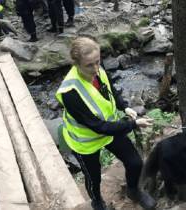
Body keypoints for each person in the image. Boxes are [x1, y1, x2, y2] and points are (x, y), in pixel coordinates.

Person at [55, 37, 157, 210]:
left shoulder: (99, 70)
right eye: (89, 65)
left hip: (108, 129)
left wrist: (124, 107)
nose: (95, 69)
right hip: (85, 141)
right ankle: (97, 202)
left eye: (98, 62)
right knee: (93, 178)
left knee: (135, 163)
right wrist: (133, 124)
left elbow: (111, 92)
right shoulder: (70, 92)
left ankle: (133, 191)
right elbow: (98, 126)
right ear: (76, 64)